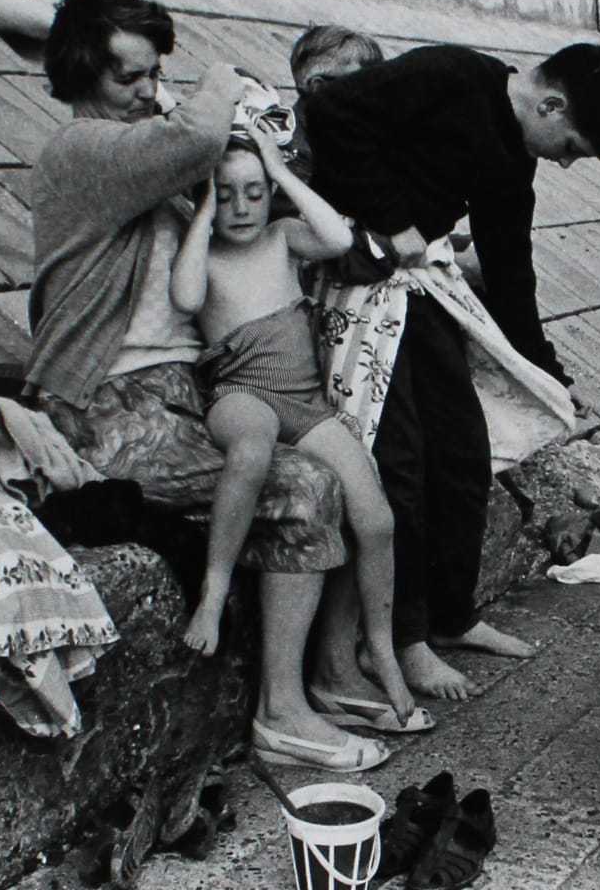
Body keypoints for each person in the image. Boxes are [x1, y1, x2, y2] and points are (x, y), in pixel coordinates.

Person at [27, 0, 395, 772]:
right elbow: (198, 137)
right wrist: (223, 80)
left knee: (338, 473)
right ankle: (282, 714)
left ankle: (328, 679)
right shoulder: (83, 150)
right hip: (108, 403)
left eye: (155, 74)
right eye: (130, 75)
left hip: (178, 399)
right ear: (83, 75)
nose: (148, 91)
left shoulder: (144, 165)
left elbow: (250, 193)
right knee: (302, 489)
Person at [301, 40, 600, 699]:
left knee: (462, 453)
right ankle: (404, 640)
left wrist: (549, 371)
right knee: (400, 464)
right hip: (358, 279)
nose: (565, 161)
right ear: (551, 104)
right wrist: (391, 217)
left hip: (422, 287)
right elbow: (332, 113)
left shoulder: (514, 160)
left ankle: (450, 618)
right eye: (571, 146)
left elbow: (510, 268)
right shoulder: (449, 75)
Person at [169, 127, 419, 738]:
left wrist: (280, 173)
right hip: (242, 394)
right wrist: (203, 211)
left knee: (376, 518)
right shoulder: (206, 253)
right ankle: (213, 591)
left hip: (305, 404)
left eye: (254, 193)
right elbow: (185, 296)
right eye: (226, 194)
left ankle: (380, 647)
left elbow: (337, 238)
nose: (242, 207)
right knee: (251, 450)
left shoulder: (282, 237)